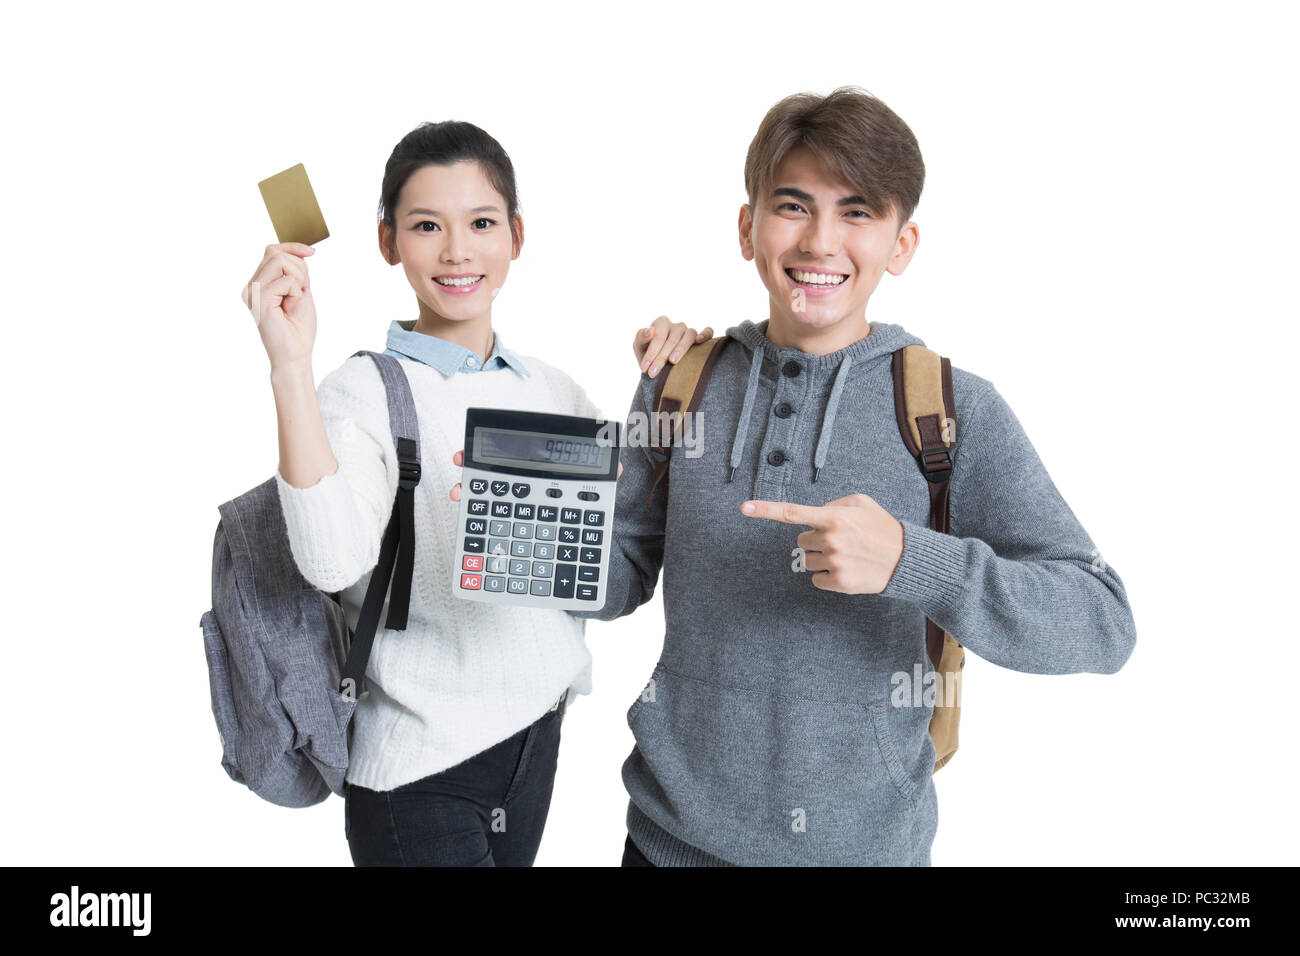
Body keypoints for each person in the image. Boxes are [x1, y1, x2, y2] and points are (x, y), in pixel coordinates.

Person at [572, 87, 1138, 866]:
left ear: (900, 245)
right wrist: (514, 530)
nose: (820, 242)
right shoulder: (681, 382)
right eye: (793, 206)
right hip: (666, 844)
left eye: (858, 213)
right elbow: (622, 575)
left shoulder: (951, 409)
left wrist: (914, 561)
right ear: (749, 227)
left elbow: (1102, 622)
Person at [240, 120, 708, 866]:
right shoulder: (361, 392)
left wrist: (672, 380)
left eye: (482, 224)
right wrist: (290, 367)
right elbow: (330, 562)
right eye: (427, 226)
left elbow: (618, 578)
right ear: (389, 241)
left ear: (516, 236)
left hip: (535, 743)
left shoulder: (558, 393)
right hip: (419, 768)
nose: (458, 252)